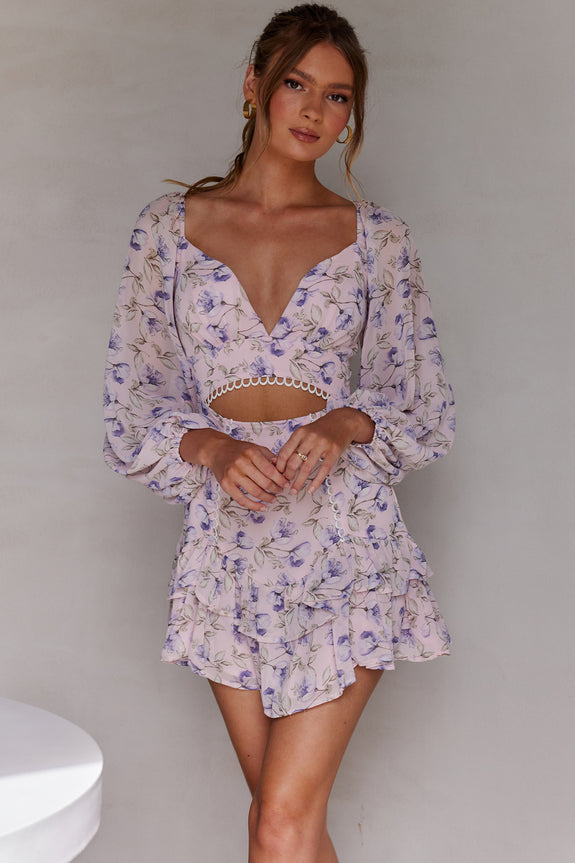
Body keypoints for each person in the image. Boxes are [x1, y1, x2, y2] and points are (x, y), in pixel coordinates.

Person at [103, 4, 456, 861]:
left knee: (278, 825)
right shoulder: (169, 229)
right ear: (254, 84)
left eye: (337, 97)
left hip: (342, 538)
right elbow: (133, 400)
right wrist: (212, 446)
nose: (313, 110)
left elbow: (422, 400)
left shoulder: (376, 241)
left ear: (350, 117)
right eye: (297, 83)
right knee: (283, 818)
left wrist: (343, 420)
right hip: (227, 544)